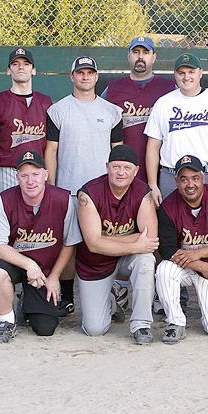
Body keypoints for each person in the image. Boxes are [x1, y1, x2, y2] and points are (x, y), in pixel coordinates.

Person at [45, 55, 124, 315]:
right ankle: (66, 297)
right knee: (69, 245)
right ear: (72, 76)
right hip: (68, 190)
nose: (85, 76)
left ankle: (112, 294)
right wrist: (53, 188)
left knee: (105, 242)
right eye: (80, 72)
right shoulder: (58, 110)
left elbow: (118, 154)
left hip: (103, 192)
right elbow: (51, 151)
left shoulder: (112, 111)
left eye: (90, 72)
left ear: (97, 76)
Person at [0, 150, 81, 342]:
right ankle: (6, 322)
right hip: (14, 263)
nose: (31, 181)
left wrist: (54, 277)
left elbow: (69, 243)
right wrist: (29, 265)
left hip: (44, 269)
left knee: (45, 328)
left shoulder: (63, 199)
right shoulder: (3, 200)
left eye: (36, 174)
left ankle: (25, 303)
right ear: (17, 178)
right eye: (25, 175)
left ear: (45, 175)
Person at [75, 145, 159, 343]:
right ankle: (112, 299)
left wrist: (107, 241)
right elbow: (93, 244)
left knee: (146, 260)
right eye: (116, 167)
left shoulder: (143, 192)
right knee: (94, 329)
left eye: (127, 168)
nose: (121, 172)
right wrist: (134, 244)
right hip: (95, 262)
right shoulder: (88, 194)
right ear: (107, 167)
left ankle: (141, 324)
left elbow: (150, 237)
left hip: (125, 258)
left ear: (136, 170)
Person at [155, 155, 208, 343]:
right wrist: (200, 265)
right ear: (176, 181)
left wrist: (199, 253)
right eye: (184, 179)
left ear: (203, 178)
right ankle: (175, 322)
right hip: (187, 266)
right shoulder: (168, 206)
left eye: (194, 178)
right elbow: (167, 249)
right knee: (164, 271)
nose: (190, 184)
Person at [144, 52, 208, 206]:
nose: (186, 77)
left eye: (191, 72)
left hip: (207, 174)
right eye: (181, 73)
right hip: (170, 176)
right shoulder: (163, 103)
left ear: (200, 73)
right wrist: (153, 184)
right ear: (175, 75)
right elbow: (153, 146)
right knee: (171, 225)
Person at [102, 36, 175, 183]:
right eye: (135, 52)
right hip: (123, 169)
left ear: (153, 57)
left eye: (145, 52)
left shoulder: (169, 89)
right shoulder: (113, 89)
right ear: (129, 56)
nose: (140, 56)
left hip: (163, 169)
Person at [0, 48, 52, 194]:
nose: (21, 67)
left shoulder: (45, 102)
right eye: (15, 64)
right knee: (6, 214)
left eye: (26, 63)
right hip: (7, 170)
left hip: (36, 170)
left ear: (33, 70)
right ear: (8, 70)